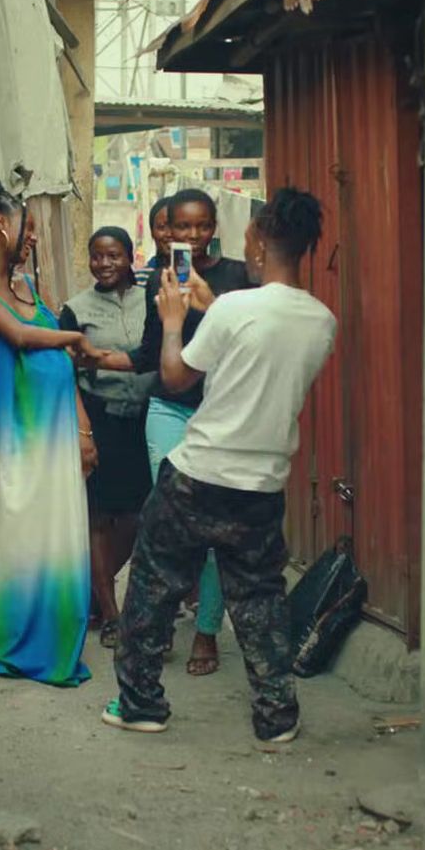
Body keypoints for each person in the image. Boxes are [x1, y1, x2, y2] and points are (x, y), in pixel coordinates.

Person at [101, 188, 336, 742]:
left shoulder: (234, 308)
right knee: (259, 598)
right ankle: (276, 717)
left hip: (198, 475)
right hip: (262, 482)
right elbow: (262, 346)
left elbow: (178, 378)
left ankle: (142, 705)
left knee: (153, 589)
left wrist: (176, 319)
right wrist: (211, 306)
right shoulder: (322, 321)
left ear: (258, 243)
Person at [0, 180, 103, 686]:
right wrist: (76, 336)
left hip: (50, 441)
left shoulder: (29, 289)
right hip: (4, 443)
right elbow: (19, 337)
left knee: (49, 538)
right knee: (6, 541)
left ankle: (48, 635)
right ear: (0, 227)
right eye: (26, 228)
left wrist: (82, 425)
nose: (31, 239)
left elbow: (55, 359)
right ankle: (2, 636)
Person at [98, 190, 249, 676]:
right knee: (165, 520)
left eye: (200, 226)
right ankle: (157, 627)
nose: (189, 236)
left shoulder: (239, 277)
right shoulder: (157, 281)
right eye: (179, 227)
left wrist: (209, 303)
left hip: (222, 415)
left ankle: (206, 631)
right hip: (167, 407)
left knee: (214, 528)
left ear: (214, 227)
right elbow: (150, 350)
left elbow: (247, 339)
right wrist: (100, 358)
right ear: (166, 229)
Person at [59, 227, 155, 647]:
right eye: (96, 256)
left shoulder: (152, 301)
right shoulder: (75, 309)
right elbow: (67, 373)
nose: (104, 264)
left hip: (146, 419)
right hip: (99, 416)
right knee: (97, 515)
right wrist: (81, 431)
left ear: (131, 257)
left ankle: (94, 592)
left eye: (113, 255)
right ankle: (112, 614)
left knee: (138, 515)